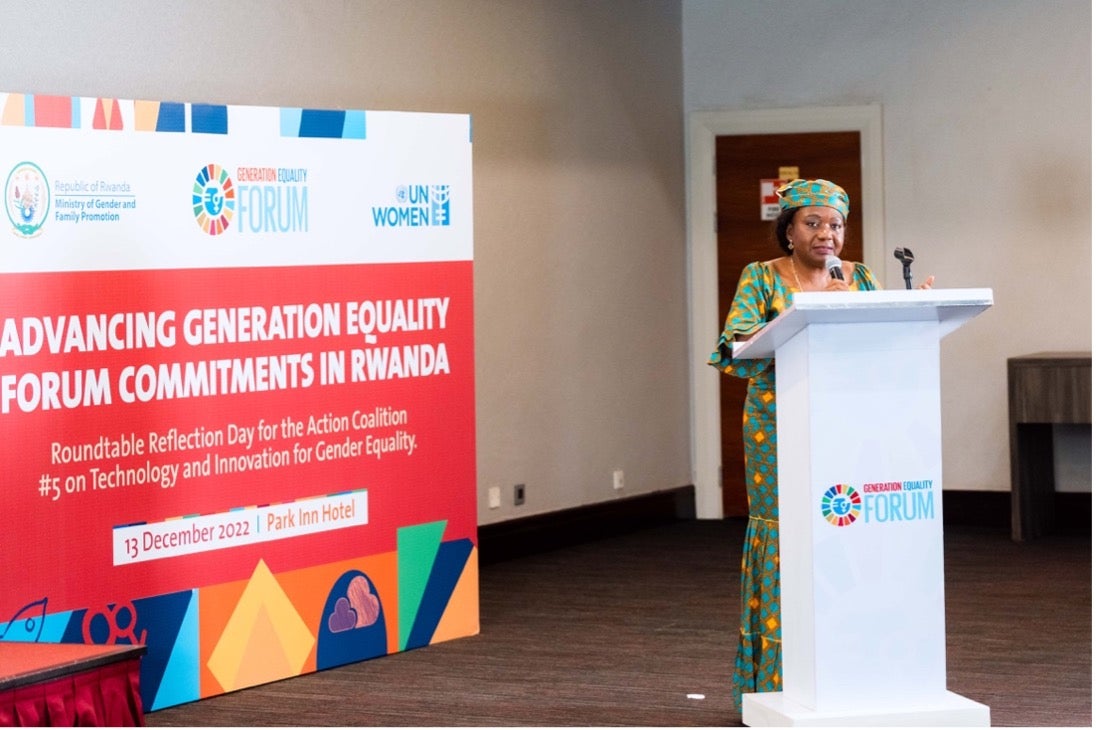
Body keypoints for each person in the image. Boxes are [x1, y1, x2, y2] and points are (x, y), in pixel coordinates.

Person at [708, 178, 932, 710]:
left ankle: (854, 666)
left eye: (835, 225)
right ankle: (780, 682)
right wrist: (812, 315)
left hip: (850, 422)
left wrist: (912, 315)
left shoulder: (861, 278)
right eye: (813, 222)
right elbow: (736, 347)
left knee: (847, 527)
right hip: (776, 421)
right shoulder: (761, 278)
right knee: (791, 532)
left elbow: (880, 346)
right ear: (787, 230)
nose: (827, 234)